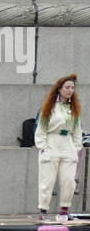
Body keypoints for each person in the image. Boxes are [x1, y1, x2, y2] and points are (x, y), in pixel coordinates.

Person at [35, 74, 83, 222]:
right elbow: (41, 129)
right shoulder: (49, 107)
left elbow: (77, 130)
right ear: (59, 89)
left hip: (67, 144)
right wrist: (43, 147)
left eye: (72, 88)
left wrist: (76, 147)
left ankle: (64, 210)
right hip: (52, 142)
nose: (70, 90)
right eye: (67, 87)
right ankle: (43, 210)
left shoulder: (73, 109)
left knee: (68, 180)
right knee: (47, 180)